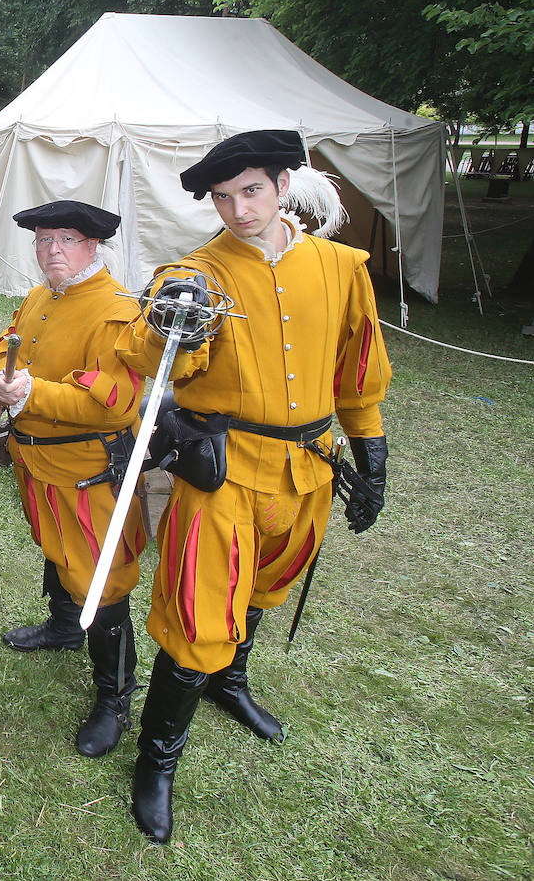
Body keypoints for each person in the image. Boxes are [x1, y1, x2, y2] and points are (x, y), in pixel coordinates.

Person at [116, 130, 392, 843]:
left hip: (310, 466)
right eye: (222, 196)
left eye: (251, 191)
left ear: (282, 185)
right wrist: (172, 320)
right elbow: (154, 361)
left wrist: (373, 456)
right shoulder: (193, 273)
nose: (237, 209)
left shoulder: (339, 265)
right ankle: (157, 759)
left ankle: (231, 684)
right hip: (226, 472)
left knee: (269, 583)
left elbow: (357, 365)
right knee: (200, 609)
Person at [0, 200, 147, 759]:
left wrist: (31, 391)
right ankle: (62, 627)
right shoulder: (39, 297)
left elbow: (116, 402)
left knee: (103, 580)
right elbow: (8, 346)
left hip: (88, 471)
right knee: (55, 550)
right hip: (35, 461)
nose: (51, 250)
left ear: (94, 246)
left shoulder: (118, 311)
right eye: (43, 240)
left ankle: (116, 695)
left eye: (66, 240)